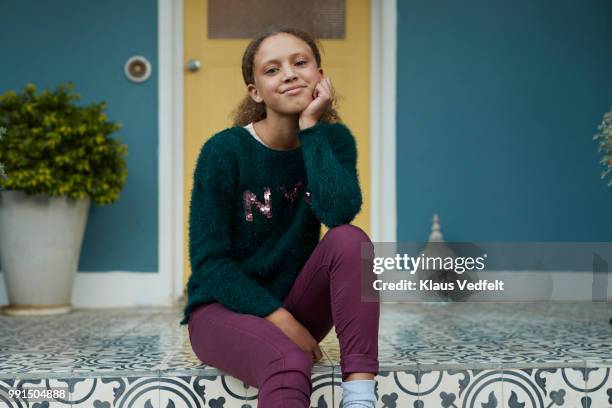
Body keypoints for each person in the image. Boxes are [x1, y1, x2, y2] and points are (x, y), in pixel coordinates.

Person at [180, 26, 380, 408]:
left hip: (294, 302)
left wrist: (311, 129)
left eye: (300, 62)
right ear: (255, 91)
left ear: (320, 77)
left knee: (351, 241)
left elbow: (338, 213)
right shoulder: (224, 152)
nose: (289, 73)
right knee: (287, 361)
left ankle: (359, 397)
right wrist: (281, 321)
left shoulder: (333, 140)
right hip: (221, 309)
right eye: (272, 69)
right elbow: (209, 264)